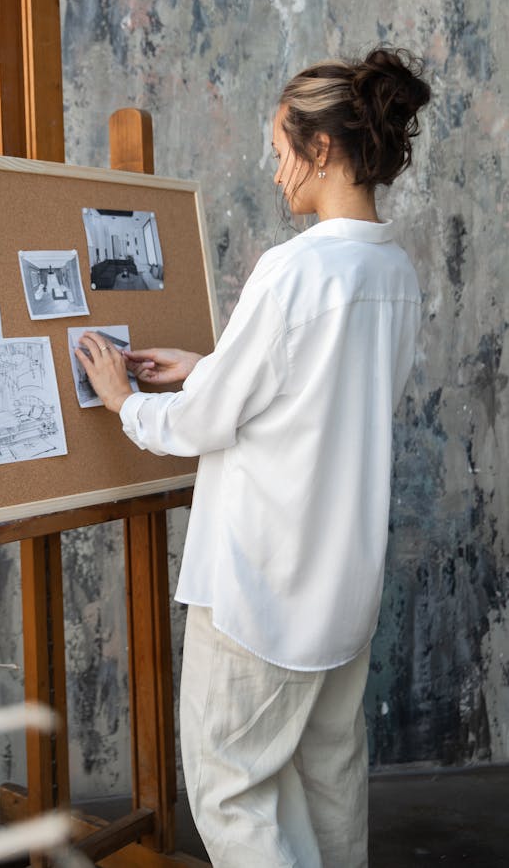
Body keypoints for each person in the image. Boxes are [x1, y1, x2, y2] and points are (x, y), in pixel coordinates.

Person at [75, 47, 431, 868]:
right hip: (344, 584)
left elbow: (206, 422)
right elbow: (326, 396)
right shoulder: (395, 272)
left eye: (281, 151)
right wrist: (209, 366)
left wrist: (126, 399)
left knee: (232, 788)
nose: (276, 173)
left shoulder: (292, 270)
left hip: (261, 585)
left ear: (321, 149)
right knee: (330, 781)